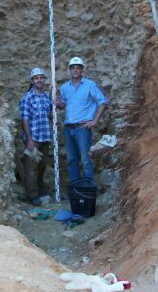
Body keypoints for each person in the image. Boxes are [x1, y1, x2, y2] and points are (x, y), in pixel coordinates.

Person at [56, 57, 108, 183]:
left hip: (82, 129)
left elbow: (103, 103)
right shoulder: (64, 88)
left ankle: (88, 191)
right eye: (73, 68)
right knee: (71, 160)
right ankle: (75, 190)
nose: (75, 70)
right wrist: (57, 102)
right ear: (69, 70)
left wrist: (94, 121)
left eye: (78, 68)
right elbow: (63, 105)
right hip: (68, 129)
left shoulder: (90, 85)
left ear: (82, 69)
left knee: (85, 160)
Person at [19, 68, 52, 206]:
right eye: (36, 78)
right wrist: (29, 140)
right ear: (32, 81)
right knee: (31, 168)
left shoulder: (46, 97)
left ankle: (40, 189)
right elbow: (24, 119)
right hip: (33, 137)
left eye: (42, 78)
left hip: (45, 136)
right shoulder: (27, 98)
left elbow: (49, 114)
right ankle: (32, 195)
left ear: (44, 80)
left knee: (42, 166)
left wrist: (54, 119)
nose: (39, 80)